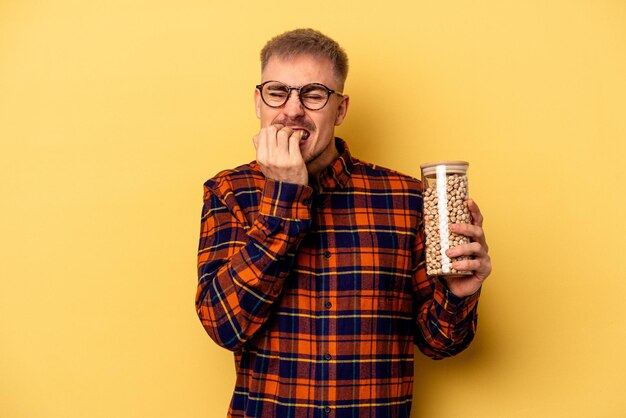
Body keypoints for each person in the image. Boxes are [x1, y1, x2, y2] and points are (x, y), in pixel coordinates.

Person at [196, 28, 492, 418]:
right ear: (258, 102)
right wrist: (284, 198)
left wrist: (458, 294)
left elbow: (439, 344)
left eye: (314, 94)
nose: (293, 109)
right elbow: (224, 326)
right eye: (277, 92)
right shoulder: (229, 192)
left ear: (340, 109)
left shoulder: (405, 198)